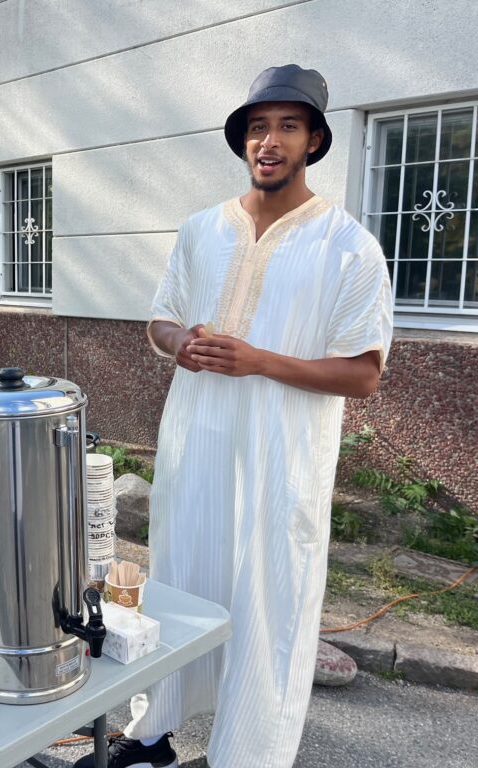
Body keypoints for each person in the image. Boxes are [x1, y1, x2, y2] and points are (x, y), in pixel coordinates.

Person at [75, 65, 393, 768]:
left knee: (268, 606)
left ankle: (246, 755)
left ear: (313, 139)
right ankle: (153, 733)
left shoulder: (348, 248)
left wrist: (260, 361)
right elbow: (160, 320)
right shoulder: (200, 231)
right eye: (257, 127)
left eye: (286, 125)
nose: (268, 141)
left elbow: (364, 372)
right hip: (196, 452)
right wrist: (177, 341)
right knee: (182, 588)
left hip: (282, 465)